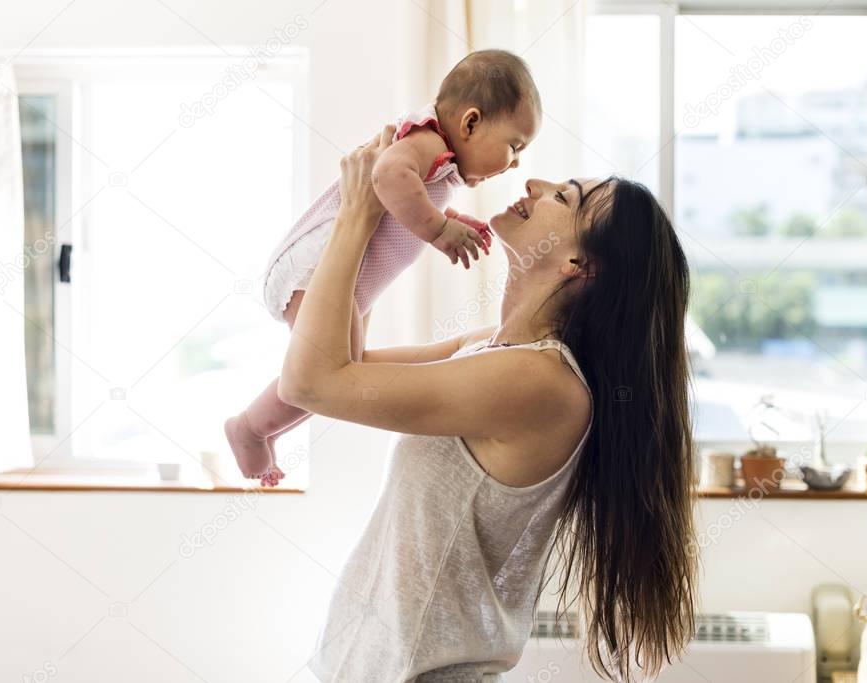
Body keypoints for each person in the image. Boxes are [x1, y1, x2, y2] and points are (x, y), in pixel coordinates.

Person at [280, 126, 699, 681]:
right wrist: (386, 222)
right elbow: (344, 358)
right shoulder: (491, 349)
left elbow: (311, 382)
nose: (535, 180)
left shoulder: (538, 382)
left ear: (579, 264)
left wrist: (357, 214)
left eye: (564, 197)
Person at [225, 50, 541, 486]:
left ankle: (261, 428)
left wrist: (447, 222)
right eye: (515, 145)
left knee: (341, 373)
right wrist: (437, 230)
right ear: (469, 123)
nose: (516, 162)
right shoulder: (428, 140)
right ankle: (249, 428)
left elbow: (405, 205)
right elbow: (387, 176)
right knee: (329, 375)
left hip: (345, 278)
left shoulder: (438, 157)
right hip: (317, 265)